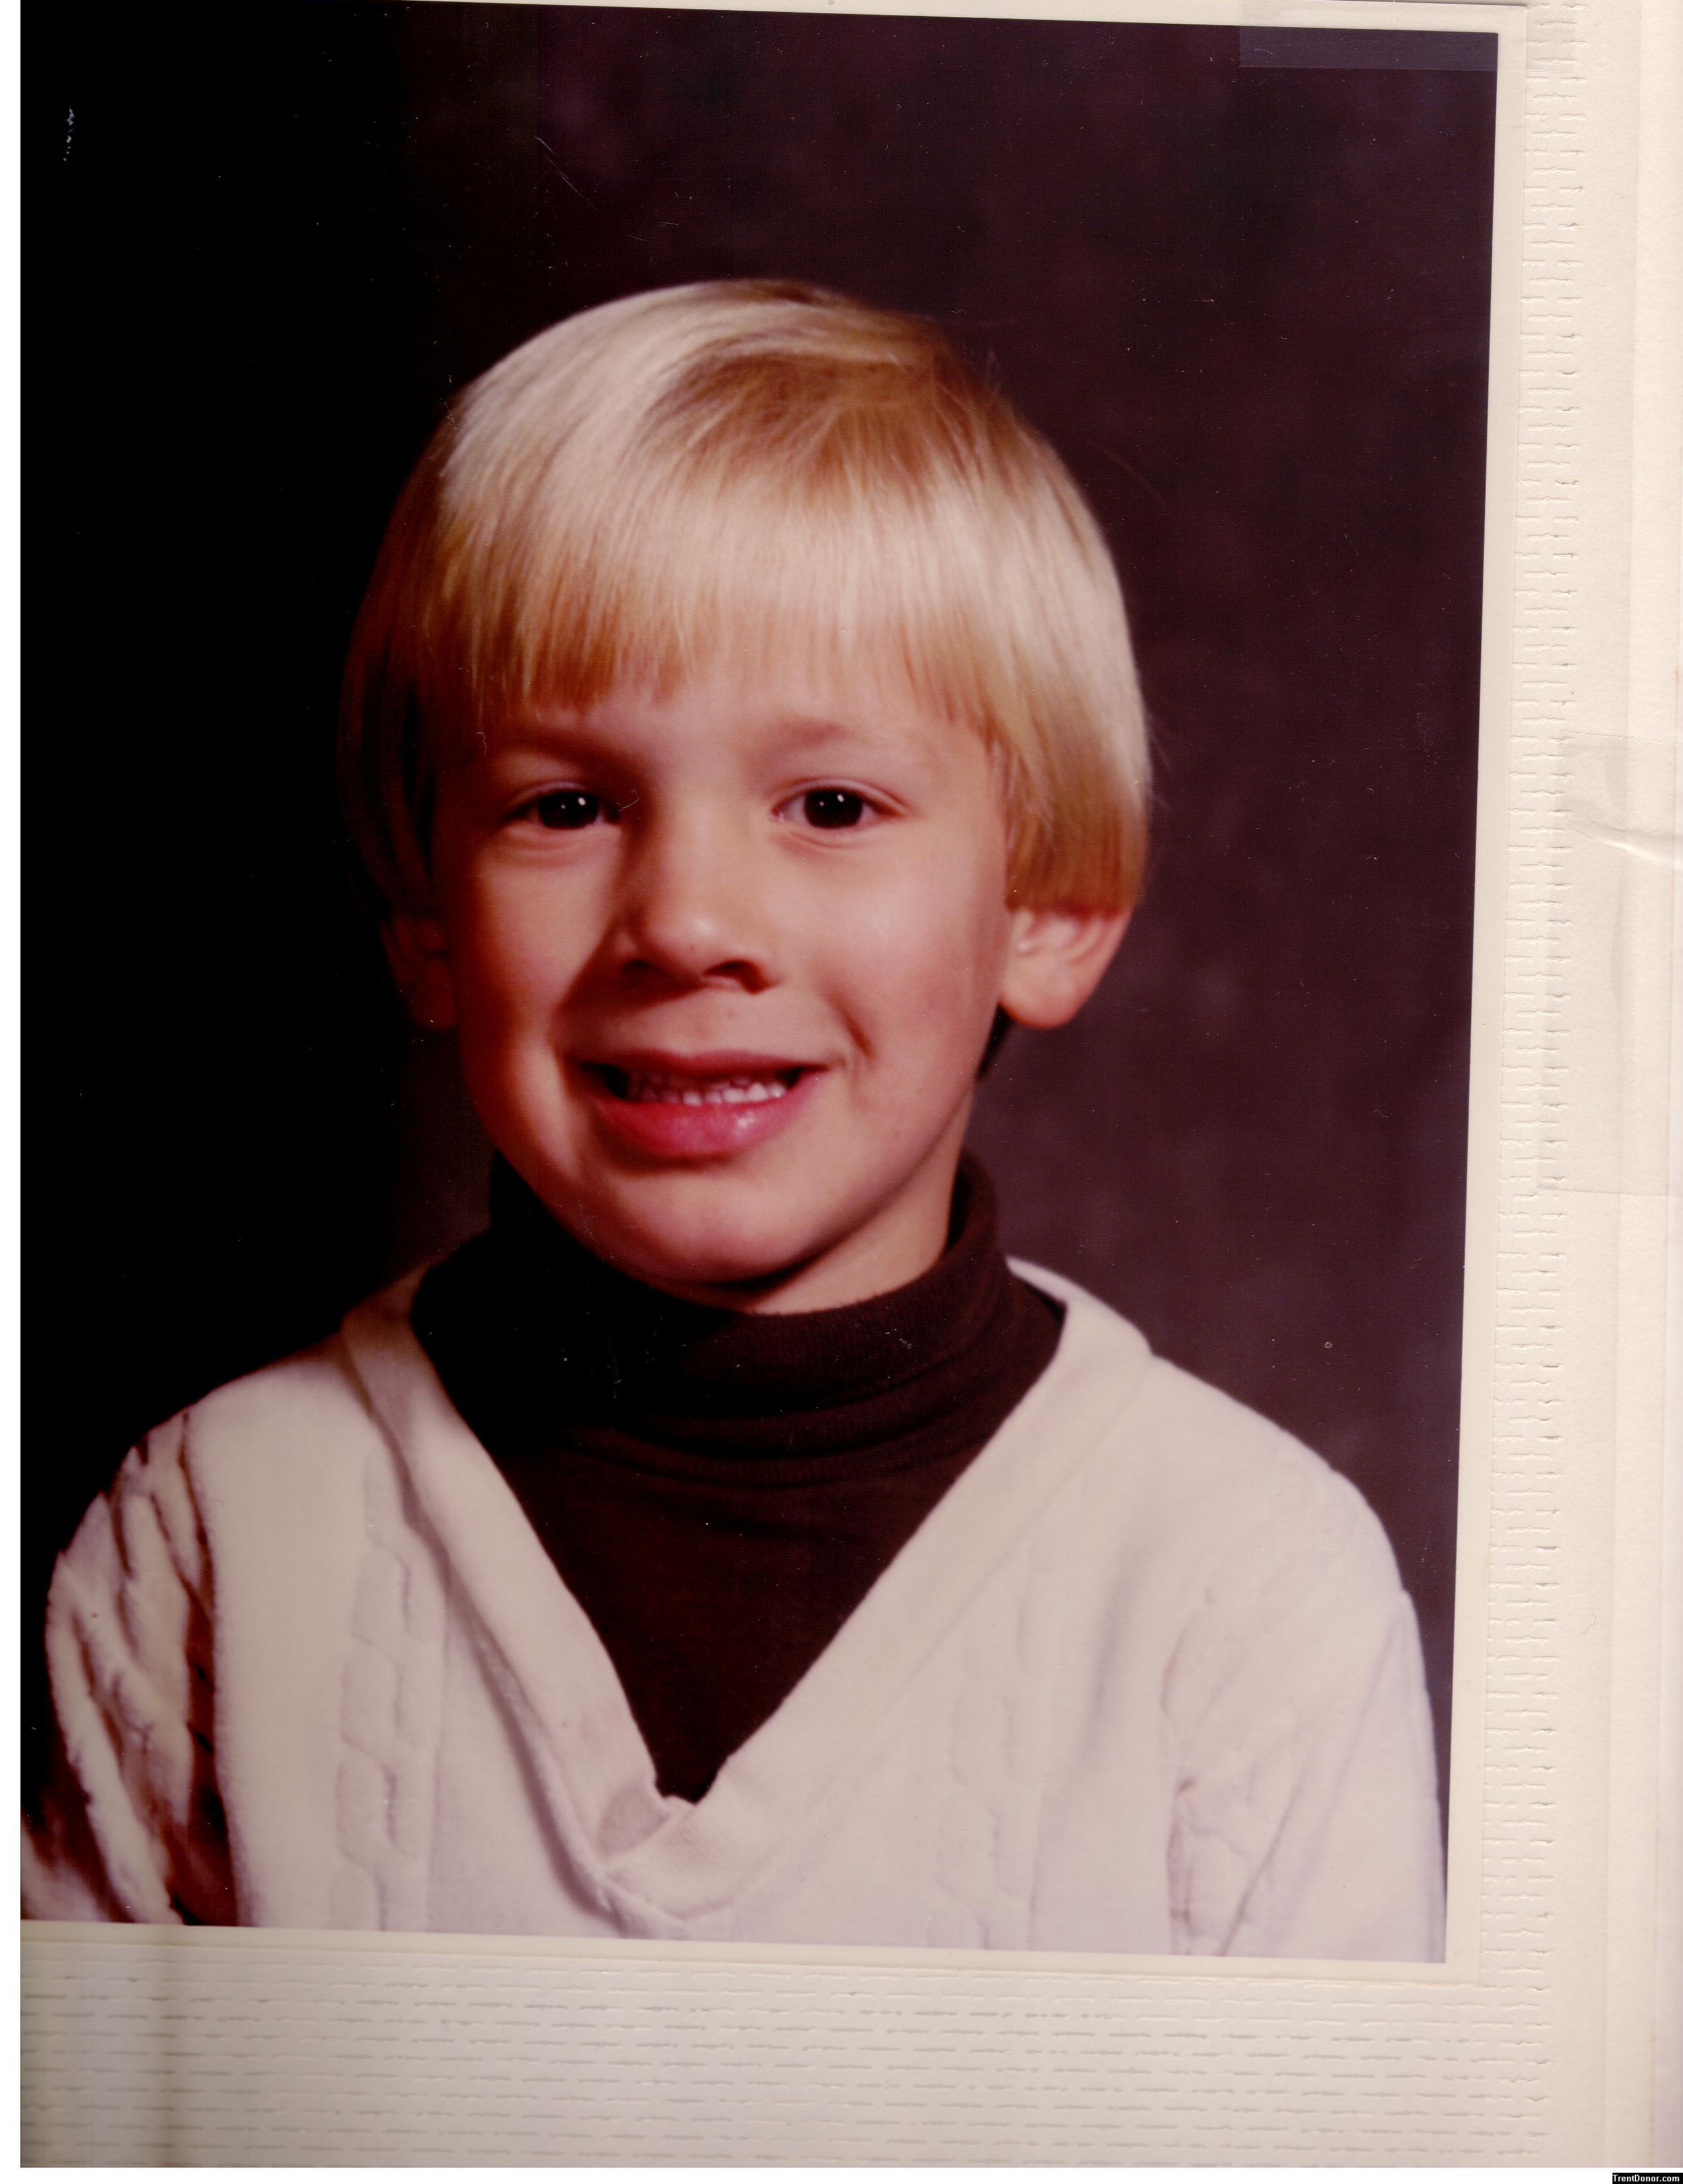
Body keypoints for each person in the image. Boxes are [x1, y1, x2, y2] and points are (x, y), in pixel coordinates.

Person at [23, 280, 1444, 1955]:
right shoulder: (216, 1538)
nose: (687, 922)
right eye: (566, 804)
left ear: (1048, 910)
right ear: (423, 918)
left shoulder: (1245, 1588)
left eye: (830, 804)